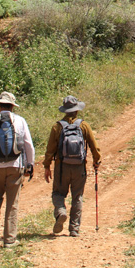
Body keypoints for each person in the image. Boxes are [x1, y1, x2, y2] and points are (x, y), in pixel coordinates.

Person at [0, 92, 35, 248]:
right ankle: (9, 239)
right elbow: (28, 144)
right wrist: (30, 164)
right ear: (12, 106)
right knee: (12, 202)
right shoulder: (20, 121)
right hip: (15, 167)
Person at [43, 96, 101, 237]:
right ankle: (74, 229)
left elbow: (50, 150)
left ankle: (61, 211)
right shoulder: (84, 126)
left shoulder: (57, 127)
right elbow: (94, 146)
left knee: (58, 193)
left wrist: (46, 166)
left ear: (65, 110)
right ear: (76, 110)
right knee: (77, 196)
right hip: (79, 167)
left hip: (62, 167)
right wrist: (96, 161)